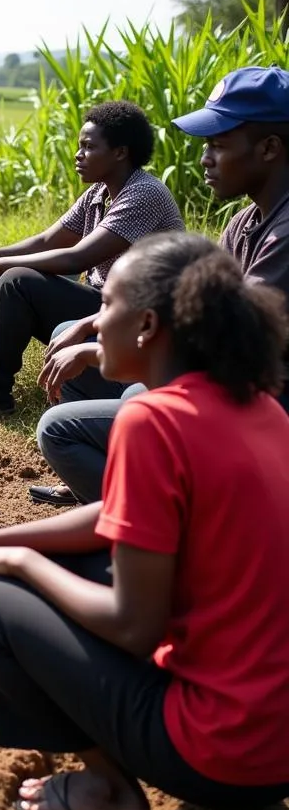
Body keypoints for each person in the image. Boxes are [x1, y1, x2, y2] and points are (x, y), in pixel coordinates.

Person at [0, 233, 289, 810]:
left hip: (215, 754)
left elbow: (134, 624)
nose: (95, 319)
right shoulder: (261, 408)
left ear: (148, 325)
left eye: (108, 306)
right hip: (274, 751)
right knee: (66, 559)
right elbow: (117, 515)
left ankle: (108, 789)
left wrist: (16, 561)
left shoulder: (151, 422)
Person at [34, 66, 289, 506]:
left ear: (269, 148)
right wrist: (91, 325)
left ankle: (168, 528)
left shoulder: (283, 237)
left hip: (259, 415)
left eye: (219, 144)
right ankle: (132, 496)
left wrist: (97, 349)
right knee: (128, 383)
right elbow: (193, 303)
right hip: (230, 394)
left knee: (59, 429)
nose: (205, 158)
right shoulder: (245, 222)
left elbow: (229, 343)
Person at [0, 101, 184, 419]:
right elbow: (48, 239)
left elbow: (77, 258)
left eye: (88, 147)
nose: (77, 155)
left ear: (120, 153)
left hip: (132, 314)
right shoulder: (98, 193)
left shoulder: (144, 193)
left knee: (15, 281)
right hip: (101, 304)